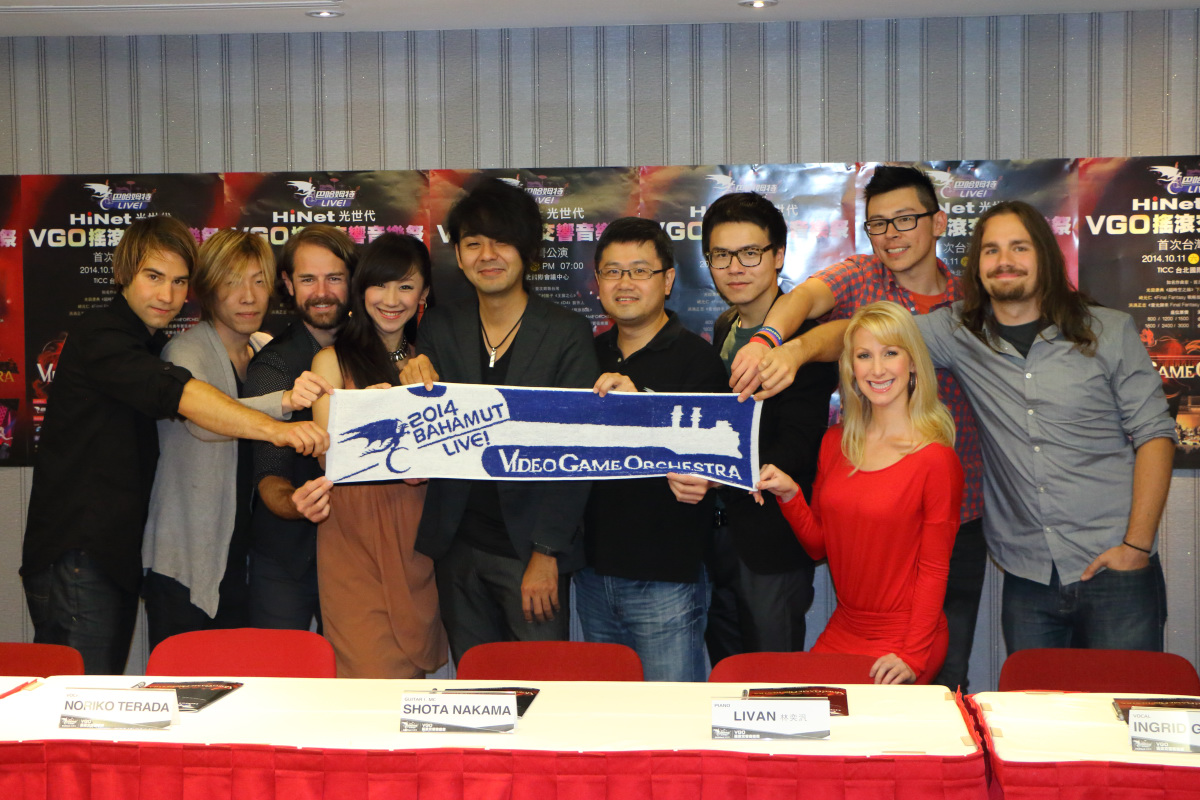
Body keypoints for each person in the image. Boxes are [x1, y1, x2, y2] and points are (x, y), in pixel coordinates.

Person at [21, 216, 327, 674]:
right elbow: (188, 402)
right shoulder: (105, 337)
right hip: (81, 551)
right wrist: (278, 422)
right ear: (123, 273)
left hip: (119, 550)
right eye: (154, 277)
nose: (166, 294)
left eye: (178, 281)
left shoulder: (156, 341)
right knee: (82, 695)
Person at [725, 166, 987, 691]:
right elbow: (806, 303)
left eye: (905, 219)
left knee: (945, 686)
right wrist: (775, 342)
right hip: (866, 540)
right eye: (878, 224)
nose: (891, 234)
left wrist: (913, 650)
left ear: (938, 223)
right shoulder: (861, 275)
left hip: (956, 519)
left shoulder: (970, 303)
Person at [912, 201, 1174, 653]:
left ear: (1046, 257)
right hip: (1027, 577)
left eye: (1020, 247)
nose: (1005, 261)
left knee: (1124, 699)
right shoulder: (958, 334)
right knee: (1034, 701)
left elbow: (1155, 434)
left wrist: (1136, 546)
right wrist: (788, 347)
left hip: (1117, 569)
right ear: (977, 265)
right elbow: (869, 335)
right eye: (991, 250)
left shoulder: (1109, 331)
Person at [400, 177, 599, 663]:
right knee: (476, 682)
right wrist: (408, 380)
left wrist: (546, 554)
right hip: (457, 546)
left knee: (541, 682)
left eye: (502, 241)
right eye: (473, 243)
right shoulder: (441, 325)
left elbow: (578, 450)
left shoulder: (566, 333)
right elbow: (421, 422)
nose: (487, 255)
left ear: (527, 251)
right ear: (458, 255)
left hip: (529, 552)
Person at [667, 192, 838, 665]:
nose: (734, 268)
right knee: (726, 674)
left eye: (750, 253)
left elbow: (798, 446)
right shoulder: (725, 325)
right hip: (715, 537)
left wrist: (717, 476)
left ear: (778, 255)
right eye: (721, 255)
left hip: (771, 541)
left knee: (772, 680)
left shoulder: (807, 337)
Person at [141, 229, 333, 650]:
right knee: (185, 683)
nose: (248, 297)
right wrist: (282, 403)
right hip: (188, 561)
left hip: (240, 557)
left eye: (259, 281)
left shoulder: (264, 349)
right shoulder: (185, 353)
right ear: (209, 290)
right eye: (232, 282)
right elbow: (206, 422)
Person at [755, 301, 963, 684]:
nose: (877, 369)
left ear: (913, 362)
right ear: (850, 368)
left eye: (890, 353)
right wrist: (790, 496)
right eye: (864, 355)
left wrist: (912, 657)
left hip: (907, 639)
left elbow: (935, 570)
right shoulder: (835, 443)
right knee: (804, 711)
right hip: (845, 627)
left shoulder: (936, 459)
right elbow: (818, 546)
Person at [291, 233, 448, 678]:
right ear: (361, 290)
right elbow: (329, 458)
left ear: (424, 294)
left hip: (416, 536)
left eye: (406, 286)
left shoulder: (430, 364)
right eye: (380, 285)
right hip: (353, 537)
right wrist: (373, 411)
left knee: (409, 681)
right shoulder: (330, 361)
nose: (391, 300)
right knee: (366, 676)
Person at [579, 216, 728, 682]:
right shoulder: (583, 355)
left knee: (672, 715)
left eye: (640, 271)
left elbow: (719, 460)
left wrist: (641, 404)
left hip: (666, 578)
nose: (624, 283)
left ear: (667, 281)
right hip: (591, 574)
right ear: (598, 281)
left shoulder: (699, 361)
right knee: (610, 718)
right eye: (612, 271)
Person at [244, 224, 357, 631]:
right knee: (279, 667)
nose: (322, 292)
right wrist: (296, 504)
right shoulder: (274, 366)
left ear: (353, 281)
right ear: (289, 284)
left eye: (334, 278)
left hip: (358, 554)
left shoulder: (376, 352)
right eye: (308, 279)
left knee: (356, 669)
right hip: (285, 558)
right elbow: (268, 474)